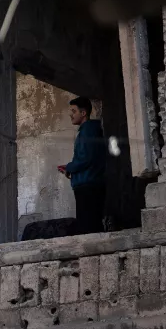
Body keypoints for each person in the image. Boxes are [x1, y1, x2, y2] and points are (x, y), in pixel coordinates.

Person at [57, 97, 107, 234]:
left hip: (88, 186)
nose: (70, 114)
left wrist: (69, 167)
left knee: (89, 229)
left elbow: (86, 158)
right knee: (89, 226)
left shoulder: (88, 130)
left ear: (83, 113)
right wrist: (70, 168)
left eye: (74, 111)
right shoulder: (88, 130)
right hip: (88, 185)